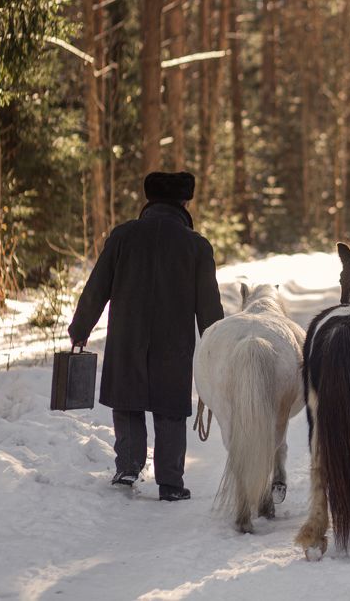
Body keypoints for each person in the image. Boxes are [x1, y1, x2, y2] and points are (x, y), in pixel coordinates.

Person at [68, 172, 224, 501]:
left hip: (127, 336)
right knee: (170, 408)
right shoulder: (196, 246)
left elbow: (96, 289)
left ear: (149, 201)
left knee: (127, 400)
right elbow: (209, 307)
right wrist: (217, 349)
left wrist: (80, 330)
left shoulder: (123, 236)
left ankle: (127, 467)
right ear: (185, 203)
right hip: (174, 341)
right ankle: (171, 483)